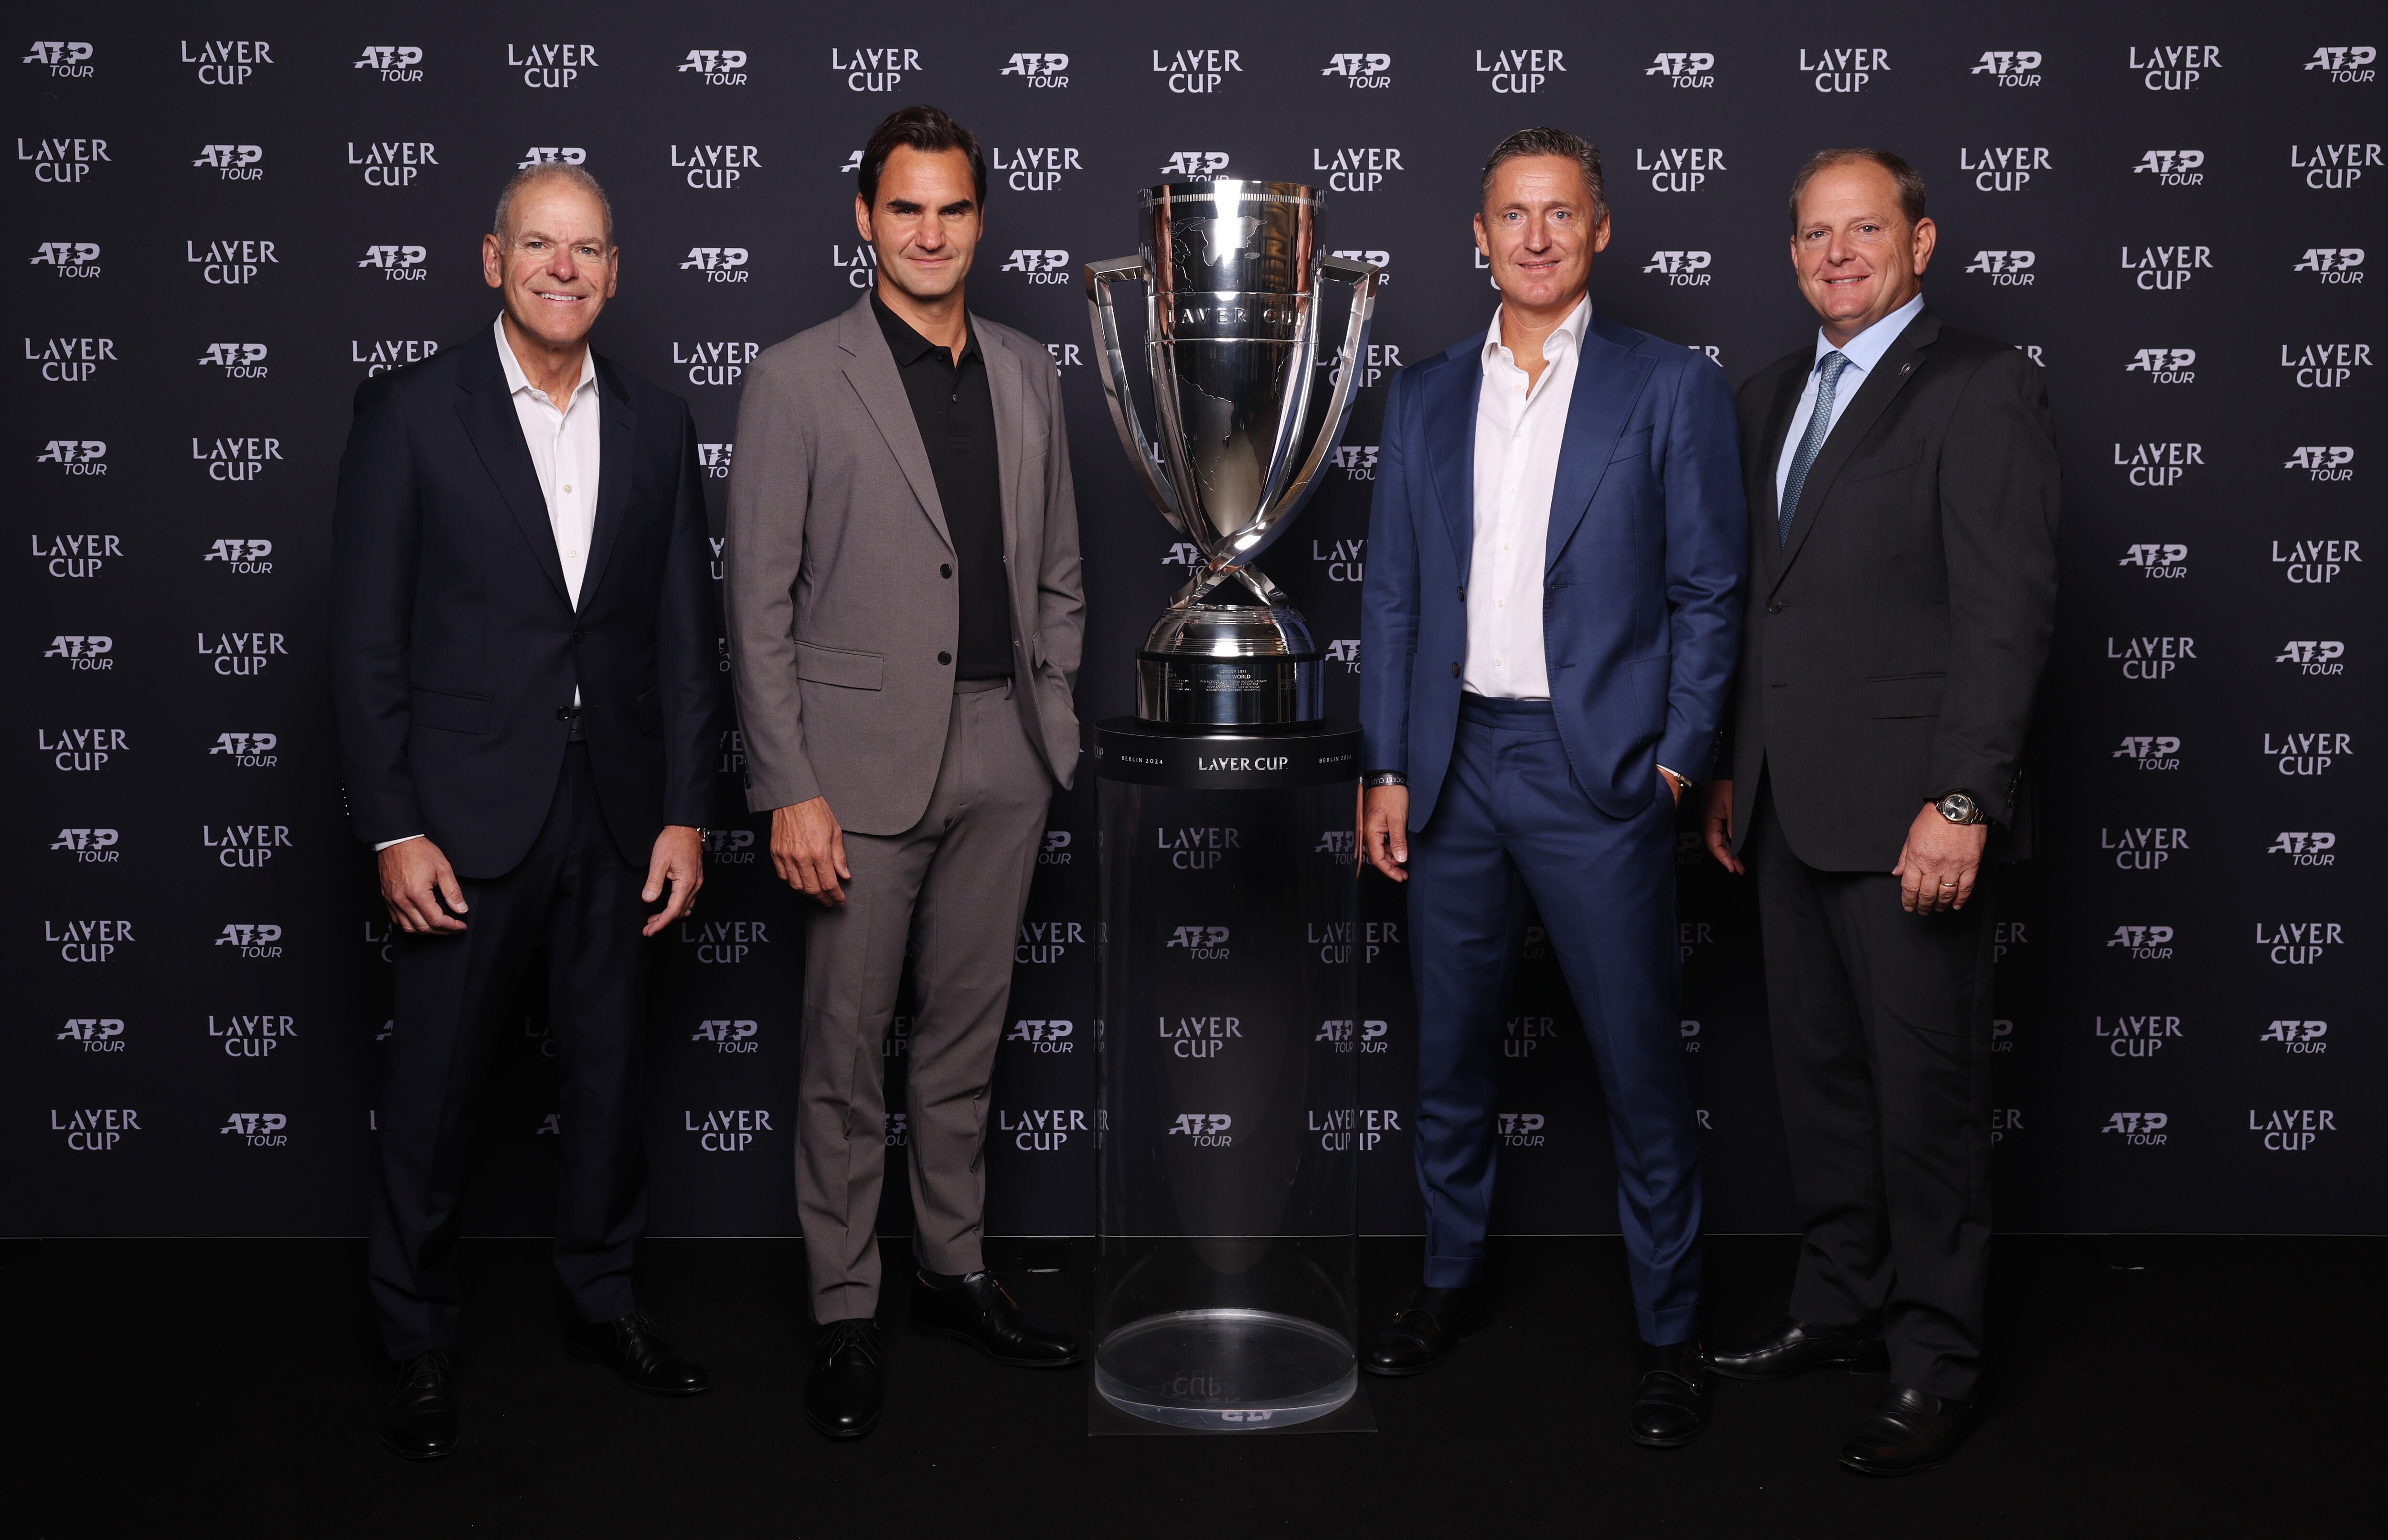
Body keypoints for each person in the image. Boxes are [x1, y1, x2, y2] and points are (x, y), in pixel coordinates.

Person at [1356, 127, 1747, 1446]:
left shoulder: (1668, 390)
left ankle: (1672, 1331)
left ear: (1601, 231)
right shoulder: (1418, 397)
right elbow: (1396, 600)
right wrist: (1388, 765)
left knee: (1640, 1067)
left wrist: (1679, 757)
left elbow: (1709, 595)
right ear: (1478, 235)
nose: (1534, 236)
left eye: (1559, 214)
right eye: (1511, 215)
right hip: (1456, 764)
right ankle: (1449, 1279)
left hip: (1600, 778)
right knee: (1450, 1055)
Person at [331, 163, 725, 1460]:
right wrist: (393, 826)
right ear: (491, 260)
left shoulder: (662, 427)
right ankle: (417, 1335)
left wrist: (683, 809)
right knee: (435, 1089)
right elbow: (366, 644)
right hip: (463, 819)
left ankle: (605, 1297)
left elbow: (684, 639)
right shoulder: (407, 414)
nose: (566, 268)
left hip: (615, 812)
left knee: (612, 1080)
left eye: (590, 249)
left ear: (617, 271)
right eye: (540, 245)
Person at [722, 105, 1087, 1442]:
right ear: (864, 220)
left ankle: (952, 1268)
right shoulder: (796, 377)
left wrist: (1049, 713)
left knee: (962, 1041)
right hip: (853, 769)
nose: (929, 233)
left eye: (953, 210)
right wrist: (788, 784)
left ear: (982, 221)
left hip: (1005, 748)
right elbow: (755, 603)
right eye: (904, 209)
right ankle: (840, 1304)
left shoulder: (1029, 368)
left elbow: (1055, 566)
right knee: (840, 1051)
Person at [1699, 147, 2060, 1476]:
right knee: (1828, 1090)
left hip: (1917, 814)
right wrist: (1741, 762)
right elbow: (1768, 608)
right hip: (1792, 807)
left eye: (1864, 231)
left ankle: (1936, 1360)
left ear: (1922, 241)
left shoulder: (1979, 386)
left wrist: (1963, 796)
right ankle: (1840, 1305)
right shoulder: (1767, 395)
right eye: (1813, 235)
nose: (1836, 254)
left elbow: (2004, 614)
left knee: (1928, 1102)